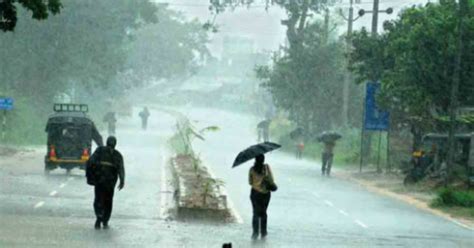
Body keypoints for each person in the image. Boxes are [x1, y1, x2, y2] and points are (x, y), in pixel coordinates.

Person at [88, 136, 125, 229]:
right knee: (108, 201)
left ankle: (99, 216)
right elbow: (121, 169)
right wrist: (122, 181)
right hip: (110, 183)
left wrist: (90, 176)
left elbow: (90, 162)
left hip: (99, 180)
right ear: (115, 144)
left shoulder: (100, 150)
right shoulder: (118, 155)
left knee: (98, 199)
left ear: (106, 142)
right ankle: (105, 220)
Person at [248, 154, 275, 240]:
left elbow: (250, 182)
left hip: (255, 193)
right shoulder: (266, 168)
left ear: (255, 159)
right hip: (265, 194)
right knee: (263, 212)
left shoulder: (252, 169)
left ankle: (255, 232)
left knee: (255, 213)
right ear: (263, 160)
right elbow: (271, 180)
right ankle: (263, 232)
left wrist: (257, 184)